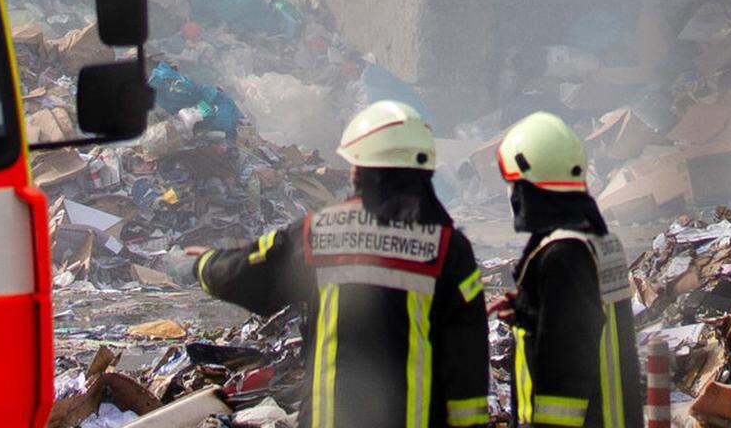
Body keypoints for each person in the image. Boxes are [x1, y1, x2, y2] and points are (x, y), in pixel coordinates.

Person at [198, 100, 492, 427]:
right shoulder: (449, 248)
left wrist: (203, 265)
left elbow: (244, 273)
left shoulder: (318, 233)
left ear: (362, 169)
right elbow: (468, 356)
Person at [495, 112, 646, 428]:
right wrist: (530, 310)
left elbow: (567, 366)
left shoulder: (564, 254)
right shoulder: (599, 241)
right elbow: (591, 325)